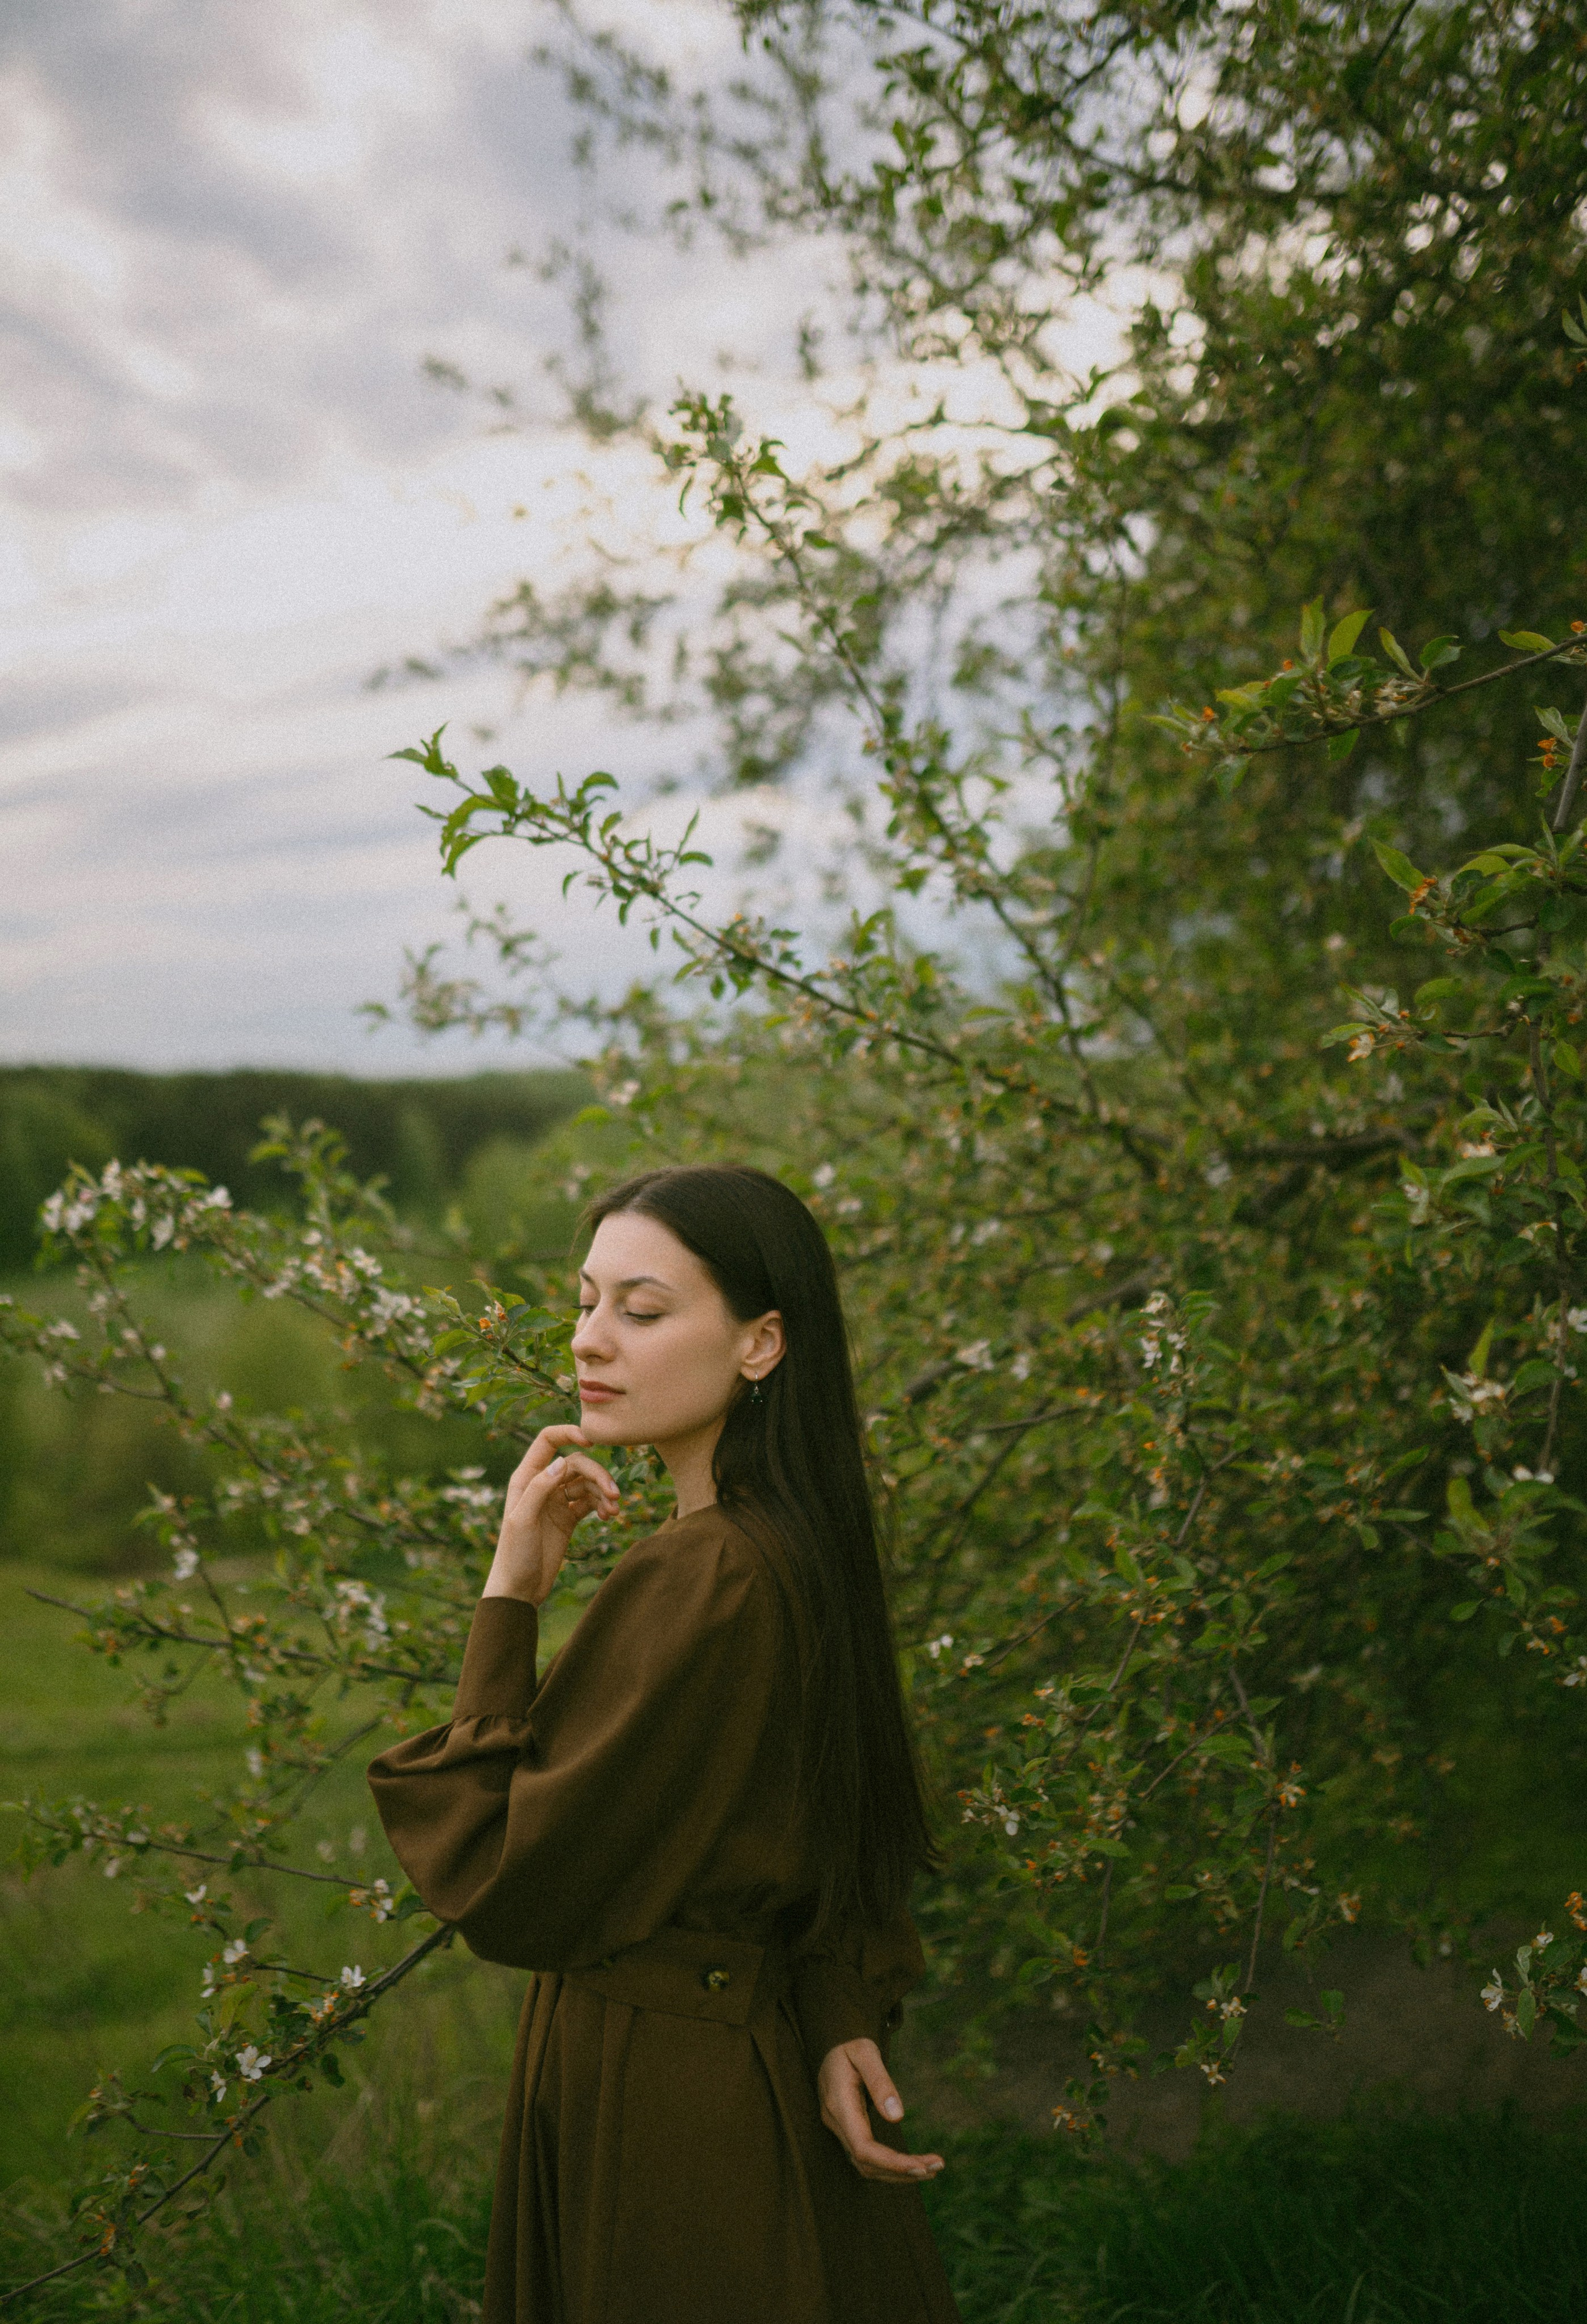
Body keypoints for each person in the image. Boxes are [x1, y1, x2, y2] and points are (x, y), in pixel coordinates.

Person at [368, 1164, 961, 2324]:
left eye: (641, 1311)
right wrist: (838, 2007)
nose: (592, 1341)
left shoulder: (704, 1571)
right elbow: (817, 1830)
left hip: (667, 2097)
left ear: (761, 1343)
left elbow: (502, 1874)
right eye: (585, 1302)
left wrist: (508, 1596)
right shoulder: (791, 1545)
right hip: (747, 2060)